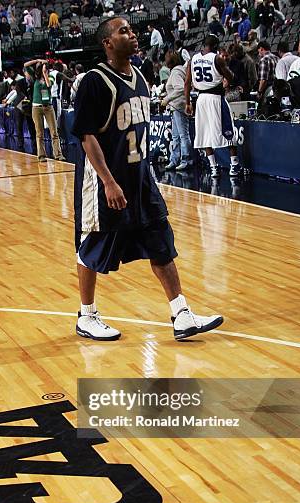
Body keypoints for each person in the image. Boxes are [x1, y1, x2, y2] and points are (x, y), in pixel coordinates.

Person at [71, 17, 223, 341]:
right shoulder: (94, 81)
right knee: (93, 244)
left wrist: (144, 176)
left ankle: (181, 313)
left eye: (131, 29)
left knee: (160, 240)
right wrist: (109, 182)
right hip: (103, 180)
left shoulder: (139, 77)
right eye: (123, 31)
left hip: (140, 177)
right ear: (107, 43)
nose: (132, 34)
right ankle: (86, 315)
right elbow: (87, 136)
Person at [185, 34, 240, 178]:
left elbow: (186, 83)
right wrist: (228, 79)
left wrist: (187, 103)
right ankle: (234, 165)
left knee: (204, 133)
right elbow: (231, 77)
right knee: (227, 130)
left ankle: (213, 167)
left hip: (200, 99)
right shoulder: (217, 58)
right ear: (216, 47)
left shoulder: (193, 59)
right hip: (216, 98)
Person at [24, 58, 64, 162]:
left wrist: (45, 73)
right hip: (36, 107)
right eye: (43, 66)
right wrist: (36, 60)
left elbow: (48, 85)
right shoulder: (35, 77)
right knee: (39, 133)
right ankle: (41, 155)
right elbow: (25, 64)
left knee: (54, 132)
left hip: (48, 107)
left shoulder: (50, 76)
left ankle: (58, 155)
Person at [162, 51, 193, 171]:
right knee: (175, 136)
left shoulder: (175, 72)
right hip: (175, 106)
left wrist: (167, 98)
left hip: (179, 106)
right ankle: (174, 160)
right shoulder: (177, 71)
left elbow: (180, 88)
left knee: (183, 135)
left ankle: (186, 160)